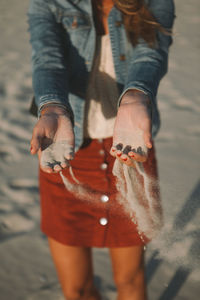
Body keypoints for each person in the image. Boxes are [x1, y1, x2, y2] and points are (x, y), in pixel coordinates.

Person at [28, 0, 175, 299]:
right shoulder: (48, 3)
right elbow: (47, 60)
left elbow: (151, 54)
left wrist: (136, 96)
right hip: (66, 148)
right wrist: (53, 106)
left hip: (131, 147)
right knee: (77, 289)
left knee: (131, 281)